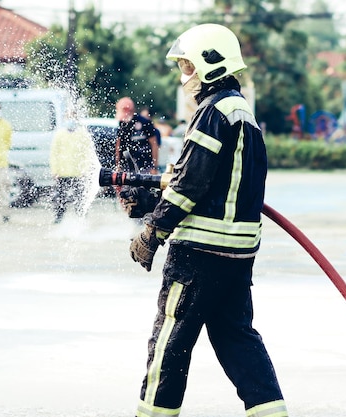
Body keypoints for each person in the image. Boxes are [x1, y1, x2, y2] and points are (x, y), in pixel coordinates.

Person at [128, 24, 288, 417]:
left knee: (169, 344)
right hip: (237, 255)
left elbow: (188, 185)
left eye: (187, 66)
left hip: (199, 255)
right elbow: (208, 178)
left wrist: (153, 230)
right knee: (238, 340)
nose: (184, 77)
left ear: (210, 65)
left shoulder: (214, 111)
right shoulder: (241, 112)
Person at [49, 116, 97, 223]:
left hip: (78, 173)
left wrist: (85, 170)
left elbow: (87, 154)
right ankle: (59, 216)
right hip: (62, 172)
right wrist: (55, 170)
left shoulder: (82, 135)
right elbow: (54, 154)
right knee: (60, 197)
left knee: (80, 197)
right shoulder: (59, 134)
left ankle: (81, 217)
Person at [114, 97, 159, 174]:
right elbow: (118, 146)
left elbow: (154, 144)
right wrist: (118, 165)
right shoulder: (122, 124)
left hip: (145, 165)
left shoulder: (145, 123)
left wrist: (154, 167)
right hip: (127, 165)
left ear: (131, 111)